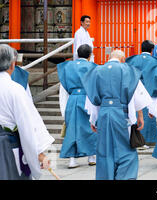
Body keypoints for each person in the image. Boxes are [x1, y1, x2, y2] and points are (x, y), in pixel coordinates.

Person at [82, 50, 154, 180]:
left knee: (105, 150)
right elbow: (137, 95)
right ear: (122, 59)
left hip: (104, 114)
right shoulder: (128, 71)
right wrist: (140, 116)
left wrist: (93, 120)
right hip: (122, 114)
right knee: (126, 150)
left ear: (109, 58)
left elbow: (92, 99)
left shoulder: (97, 71)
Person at [0, 44, 54, 180]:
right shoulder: (15, 89)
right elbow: (27, 127)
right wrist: (38, 156)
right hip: (7, 147)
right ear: (12, 64)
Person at [57, 44, 97, 169]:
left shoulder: (67, 67)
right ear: (90, 55)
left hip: (72, 99)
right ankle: (91, 157)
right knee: (90, 128)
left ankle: (72, 160)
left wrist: (63, 109)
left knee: (72, 130)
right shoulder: (93, 67)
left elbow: (63, 90)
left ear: (77, 54)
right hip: (88, 98)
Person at [126, 40, 157, 148]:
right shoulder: (156, 61)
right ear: (151, 50)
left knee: (134, 113)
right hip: (149, 90)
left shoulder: (132, 60)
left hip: (133, 89)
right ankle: (146, 140)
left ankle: (134, 138)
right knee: (147, 114)